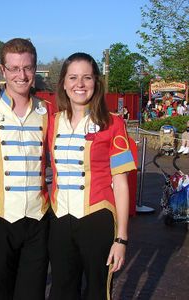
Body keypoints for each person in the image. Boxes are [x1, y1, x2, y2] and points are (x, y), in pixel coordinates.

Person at [47, 52, 136, 299]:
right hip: (60, 220)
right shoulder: (52, 122)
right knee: (62, 290)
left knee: (97, 291)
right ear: (63, 83)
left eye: (87, 77)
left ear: (96, 82)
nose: (80, 84)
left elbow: (120, 183)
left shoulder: (113, 123)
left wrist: (122, 239)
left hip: (97, 219)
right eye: (73, 77)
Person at [0, 38, 49, 300]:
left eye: (28, 68)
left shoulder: (47, 111)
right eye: (15, 68)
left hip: (38, 218)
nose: (22, 75)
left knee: (32, 293)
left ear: (35, 69)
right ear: (3, 71)